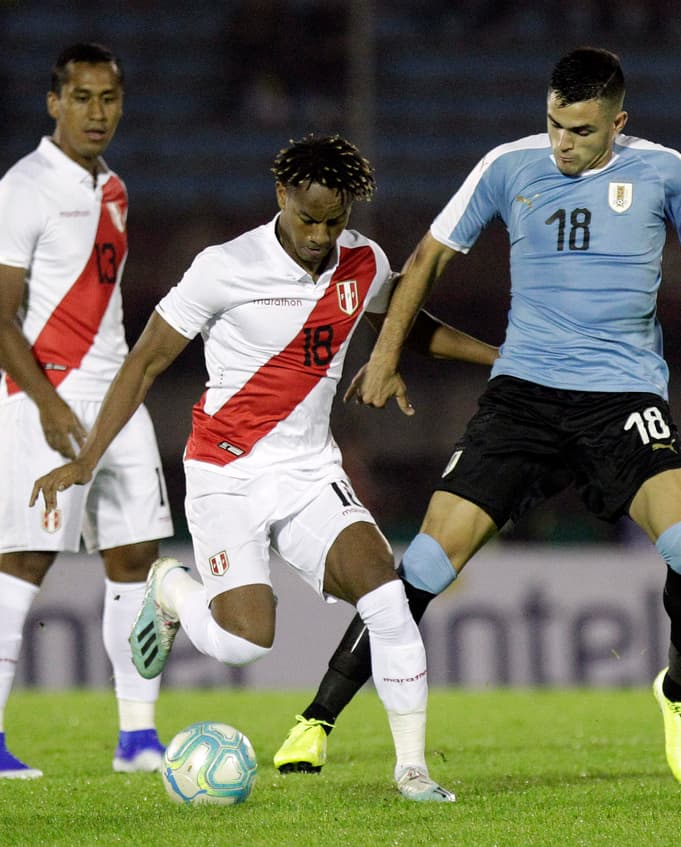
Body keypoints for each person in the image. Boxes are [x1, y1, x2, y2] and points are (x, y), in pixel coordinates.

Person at [272, 47, 681, 788]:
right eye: (555, 123)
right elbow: (427, 257)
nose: (563, 142)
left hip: (623, 398)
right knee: (426, 564)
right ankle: (317, 717)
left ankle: (678, 691)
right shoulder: (509, 165)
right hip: (523, 395)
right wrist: (390, 352)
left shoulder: (665, 172)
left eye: (582, 131)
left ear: (617, 124)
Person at [30, 134, 498, 801]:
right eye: (308, 218)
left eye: (334, 221)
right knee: (246, 643)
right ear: (281, 196)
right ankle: (172, 590)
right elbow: (145, 360)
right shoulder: (224, 267)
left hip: (310, 472)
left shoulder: (362, 261)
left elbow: (407, 326)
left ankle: (413, 771)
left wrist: (500, 357)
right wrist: (86, 457)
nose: (320, 234)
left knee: (388, 598)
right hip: (226, 475)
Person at [0, 42, 174, 780]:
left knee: (136, 558)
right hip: (42, 397)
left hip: (115, 394)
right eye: (81, 98)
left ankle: (137, 737)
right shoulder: (21, 189)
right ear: (53, 102)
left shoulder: (114, 187)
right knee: (24, 561)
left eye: (109, 99)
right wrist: (49, 405)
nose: (96, 112)